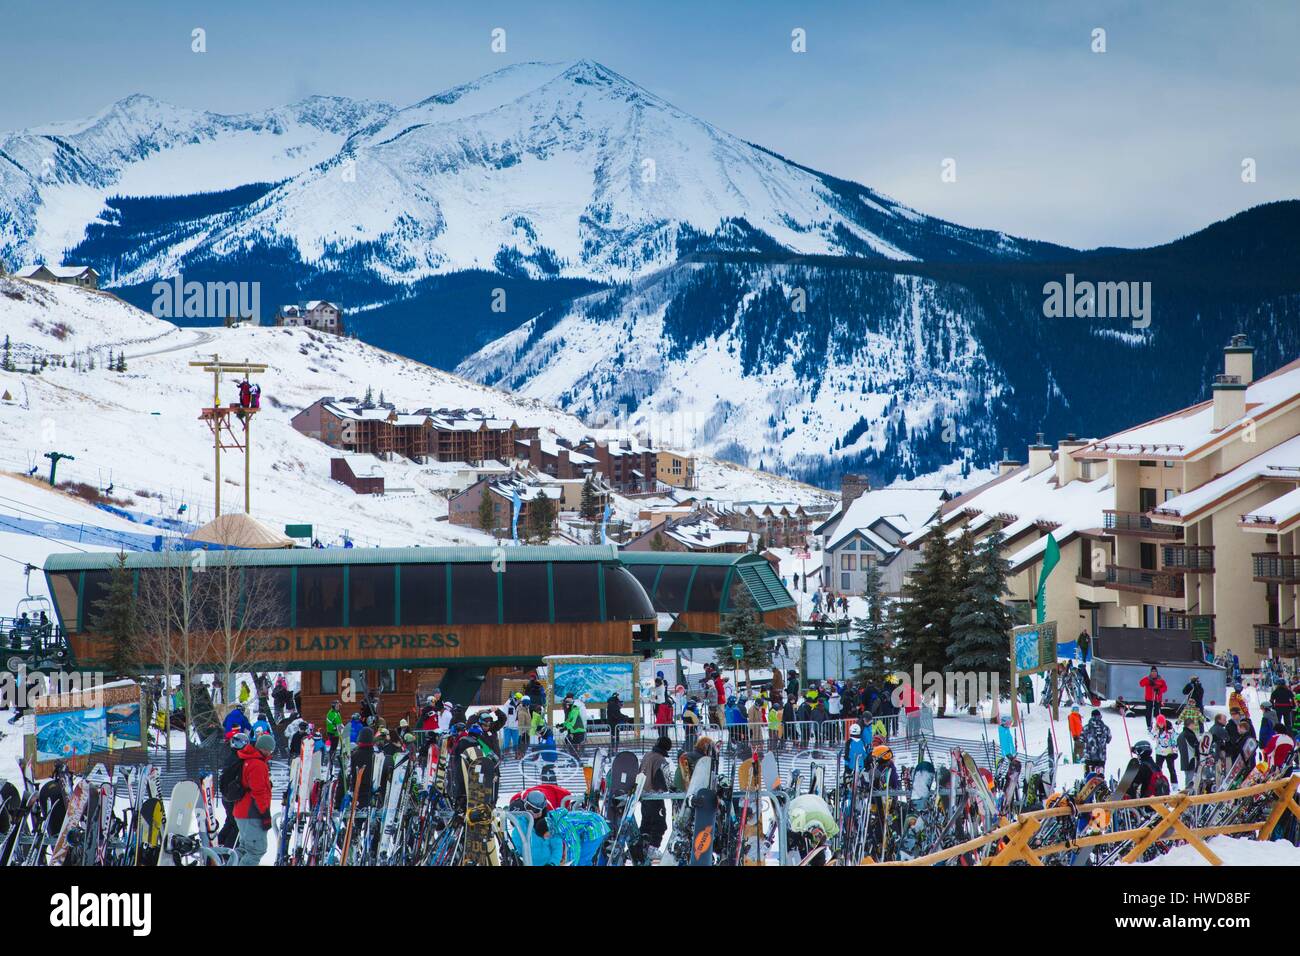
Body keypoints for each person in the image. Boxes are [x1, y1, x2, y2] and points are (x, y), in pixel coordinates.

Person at [232, 733, 274, 865]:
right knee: (256, 850)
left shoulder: (248, 759)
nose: (270, 752)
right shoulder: (257, 764)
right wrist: (265, 813)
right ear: (264, 748)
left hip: (242, 812)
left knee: (244, 849)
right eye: (270, 750)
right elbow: (259, 792)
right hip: (252, 814)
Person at [636, 736, 673, 861]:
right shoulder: (660, 760)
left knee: (646, 823)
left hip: (643, 795)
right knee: (660, 824)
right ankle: (652, 848)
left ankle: (641, 848)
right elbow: (661, 779)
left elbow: (639, 771)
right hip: (654, 796)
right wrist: (668, 788)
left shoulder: (647, 755)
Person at [1082, 708, 1111, 775]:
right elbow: (1109, 739)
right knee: (1100, 776)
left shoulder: (1086, 728)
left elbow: (1081, 739)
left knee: (1089, 776)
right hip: (1101, 757)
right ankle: (1100, 784)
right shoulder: (1105, 728)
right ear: (1100, 716)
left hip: (1089, 757)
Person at [1152, 714, 1178, 787]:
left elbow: (1174, 740)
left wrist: (1175, 751)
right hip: (1159, 752)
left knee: (1171, 768)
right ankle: (1157, 783)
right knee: (1158, 769)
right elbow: (1152, 737)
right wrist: (1155, 732)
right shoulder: (1156, 729)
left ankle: (1175, 785)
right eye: (1159, 723)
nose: (1160, 725)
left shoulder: (1170, 729)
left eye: (1162, 723)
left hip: (1169, 752)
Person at [1138, 667, 1167, 732]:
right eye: (1152, 672)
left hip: (1157, 699)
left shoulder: (1161, 680)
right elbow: (1141, 684)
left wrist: (1159, 690)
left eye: (1155, 672)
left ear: (1157, 673)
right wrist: (1148, 681)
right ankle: (1149, 726)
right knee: (1148, 713)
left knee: (1157, 713)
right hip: (1149, 699)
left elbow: (1165, 688)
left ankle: (1159, 725)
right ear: (1150, 673)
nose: (1154, 673)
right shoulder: (1147, 679)